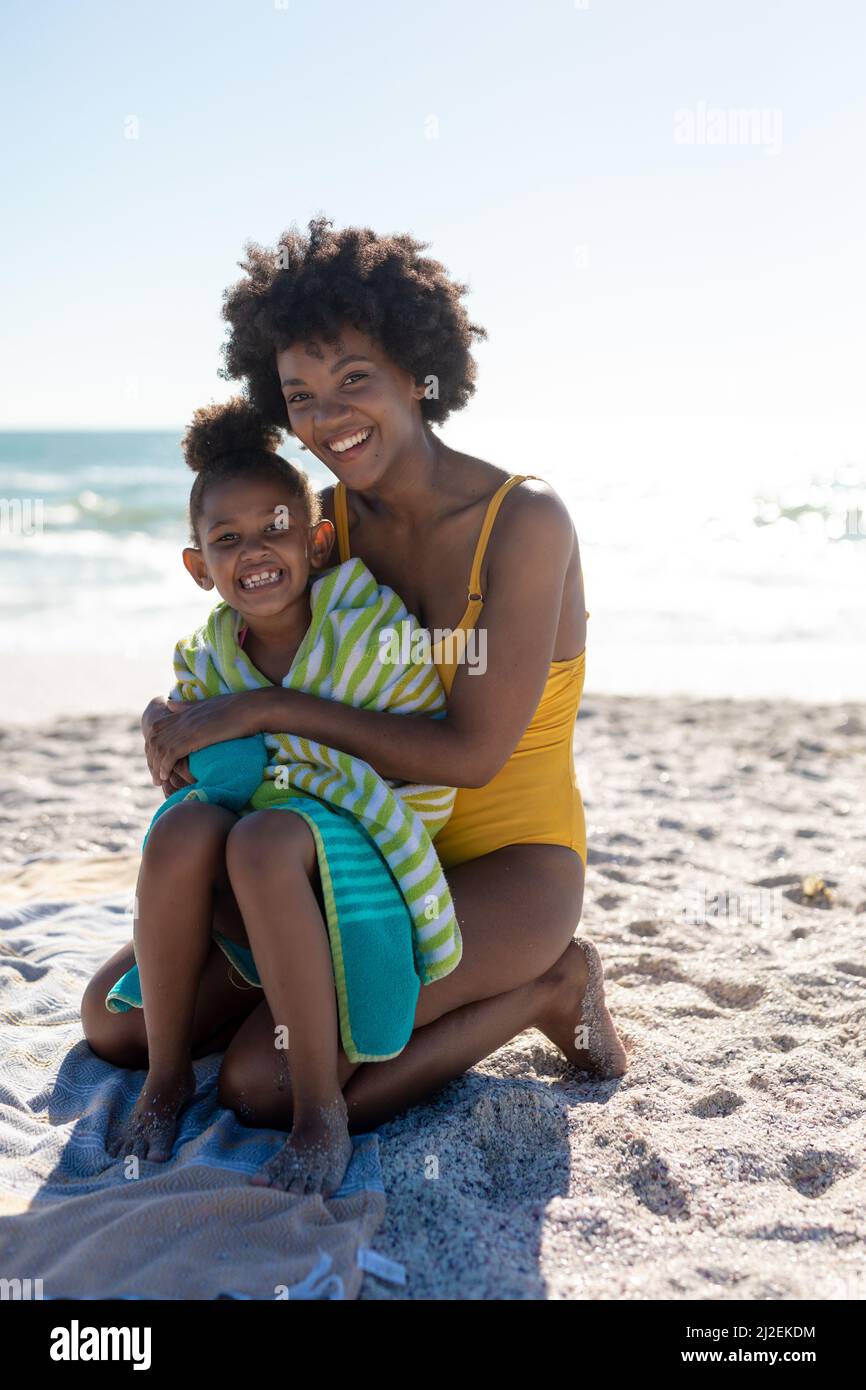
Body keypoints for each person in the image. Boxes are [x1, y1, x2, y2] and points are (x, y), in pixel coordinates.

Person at [81, 217, 627, 1192]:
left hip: (507, 867)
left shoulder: (521, 523)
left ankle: (549, 982)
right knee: (116, 1021)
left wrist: (260, 717)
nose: (327, 417)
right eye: (299, 394)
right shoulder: (320, 522)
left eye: (353, 379)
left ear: (416, 368)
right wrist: (179, 718)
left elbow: (467, 753)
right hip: (352, 848)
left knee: (263, 1076)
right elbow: (249, 651)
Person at [101, 397, 460, 1195]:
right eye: (226, 540)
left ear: (316, 538)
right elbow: (195, 738)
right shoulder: (213, 653)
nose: (253, 552)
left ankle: (318, 1112)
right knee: (178, 832)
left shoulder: (366, 628)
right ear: (199, 567)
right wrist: (168, 724)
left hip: (356, 836)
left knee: (259, 840)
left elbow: (417, 760)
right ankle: (165, 1079)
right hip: (256, 855)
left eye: (273, 528)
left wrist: (280, 761)